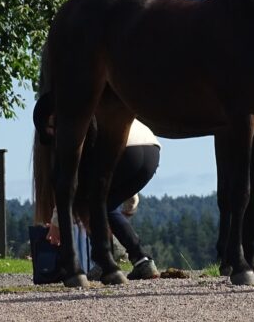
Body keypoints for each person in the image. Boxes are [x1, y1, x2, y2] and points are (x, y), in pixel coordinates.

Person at [35, 112, 161, 281]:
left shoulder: (74, 127)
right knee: (105, 206)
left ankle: (122, 260)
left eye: (50, 128)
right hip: (151, 149)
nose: (51, 134)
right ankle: (132, 260)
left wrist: (57, 222)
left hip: (125, 151)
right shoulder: (92, 109)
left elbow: (71, 184)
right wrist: (130, 199)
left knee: (93, 205)